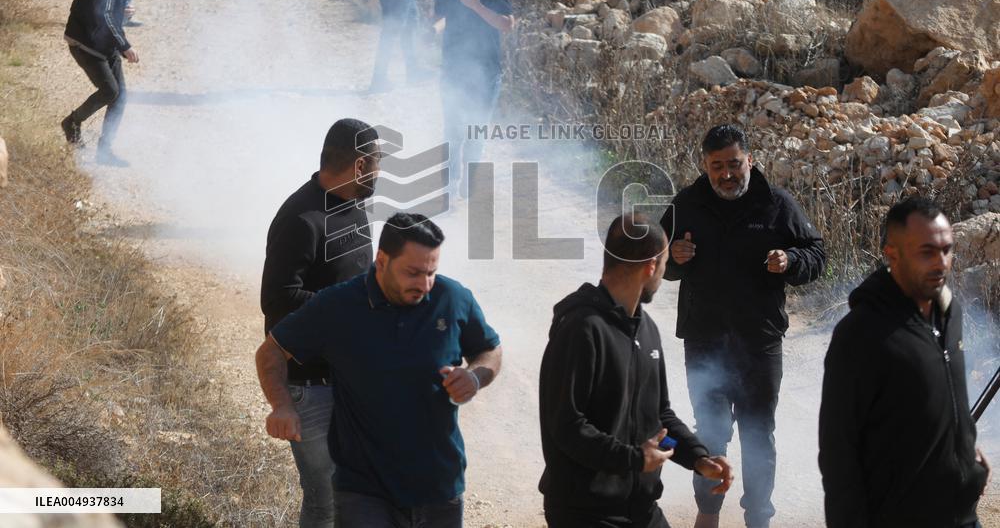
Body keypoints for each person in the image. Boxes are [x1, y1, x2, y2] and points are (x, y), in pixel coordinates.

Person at [256, 212, 502, 528]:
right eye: (413, 273)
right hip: (364, 493)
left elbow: (489, 349)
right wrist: (282, 406)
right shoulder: (339, 306)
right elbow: (271, 351)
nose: (424, 285)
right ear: (382, 260)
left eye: (431, 272)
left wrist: (475, 376)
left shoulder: (453, 299)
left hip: (440, 488)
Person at [659, 123, 825, 528]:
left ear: (750, 160)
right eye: (718, 166)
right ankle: (708, 513)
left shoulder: (777, 204)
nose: (727, 174)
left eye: (734, 163)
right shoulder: (687, 204)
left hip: (759, 342)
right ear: (705, 165)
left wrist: (791, 262)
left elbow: (816, 253)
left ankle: (758, 519)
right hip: (705, 340)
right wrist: (673, 255)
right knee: (710, 435)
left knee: (757, 434)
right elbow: (654, 259)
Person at [539, 213, 734, 528]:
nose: (662, 275)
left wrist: (698, 458)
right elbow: (566, 426)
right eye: (666, 264)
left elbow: (659, 419)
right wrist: (634, 459)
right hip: (583, 514)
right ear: (651, 265)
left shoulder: (647, 329)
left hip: (641, 510)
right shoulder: (581, 329)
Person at [818, 197, 991, 528]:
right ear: (892, 254)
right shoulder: (861, 333)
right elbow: (838, 453)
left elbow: (944, 400)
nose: (941, 262)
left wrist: (965, 451)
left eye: (947, 249)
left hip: (961, 517)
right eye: (927, 251)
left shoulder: (949, 313)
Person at [260, 118, 381, 527]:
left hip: (351, 380)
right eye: (378, 163)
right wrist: (350, 309)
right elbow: (277, 300)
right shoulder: (300, 218)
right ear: (361, 165)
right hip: (309, 387)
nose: (380, 174)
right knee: (325, 497)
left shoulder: (354, 205)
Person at [432, 0, 514, 198]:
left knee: (476, 131)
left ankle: (469, 185)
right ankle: (450, 184)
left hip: (487, 72)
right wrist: (431, 29)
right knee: (453, 129)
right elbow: (439, 18)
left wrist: (476, 6)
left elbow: (507, 24)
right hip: (453, 69)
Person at [61, 0, 141, 167]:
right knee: (110, 91)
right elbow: (105, 16)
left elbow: (107, 12)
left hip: (103, 42)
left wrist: (125, 13)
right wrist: (125, 45)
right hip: (86, 43)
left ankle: (104, 152)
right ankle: (72, 123)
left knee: (120, 96)